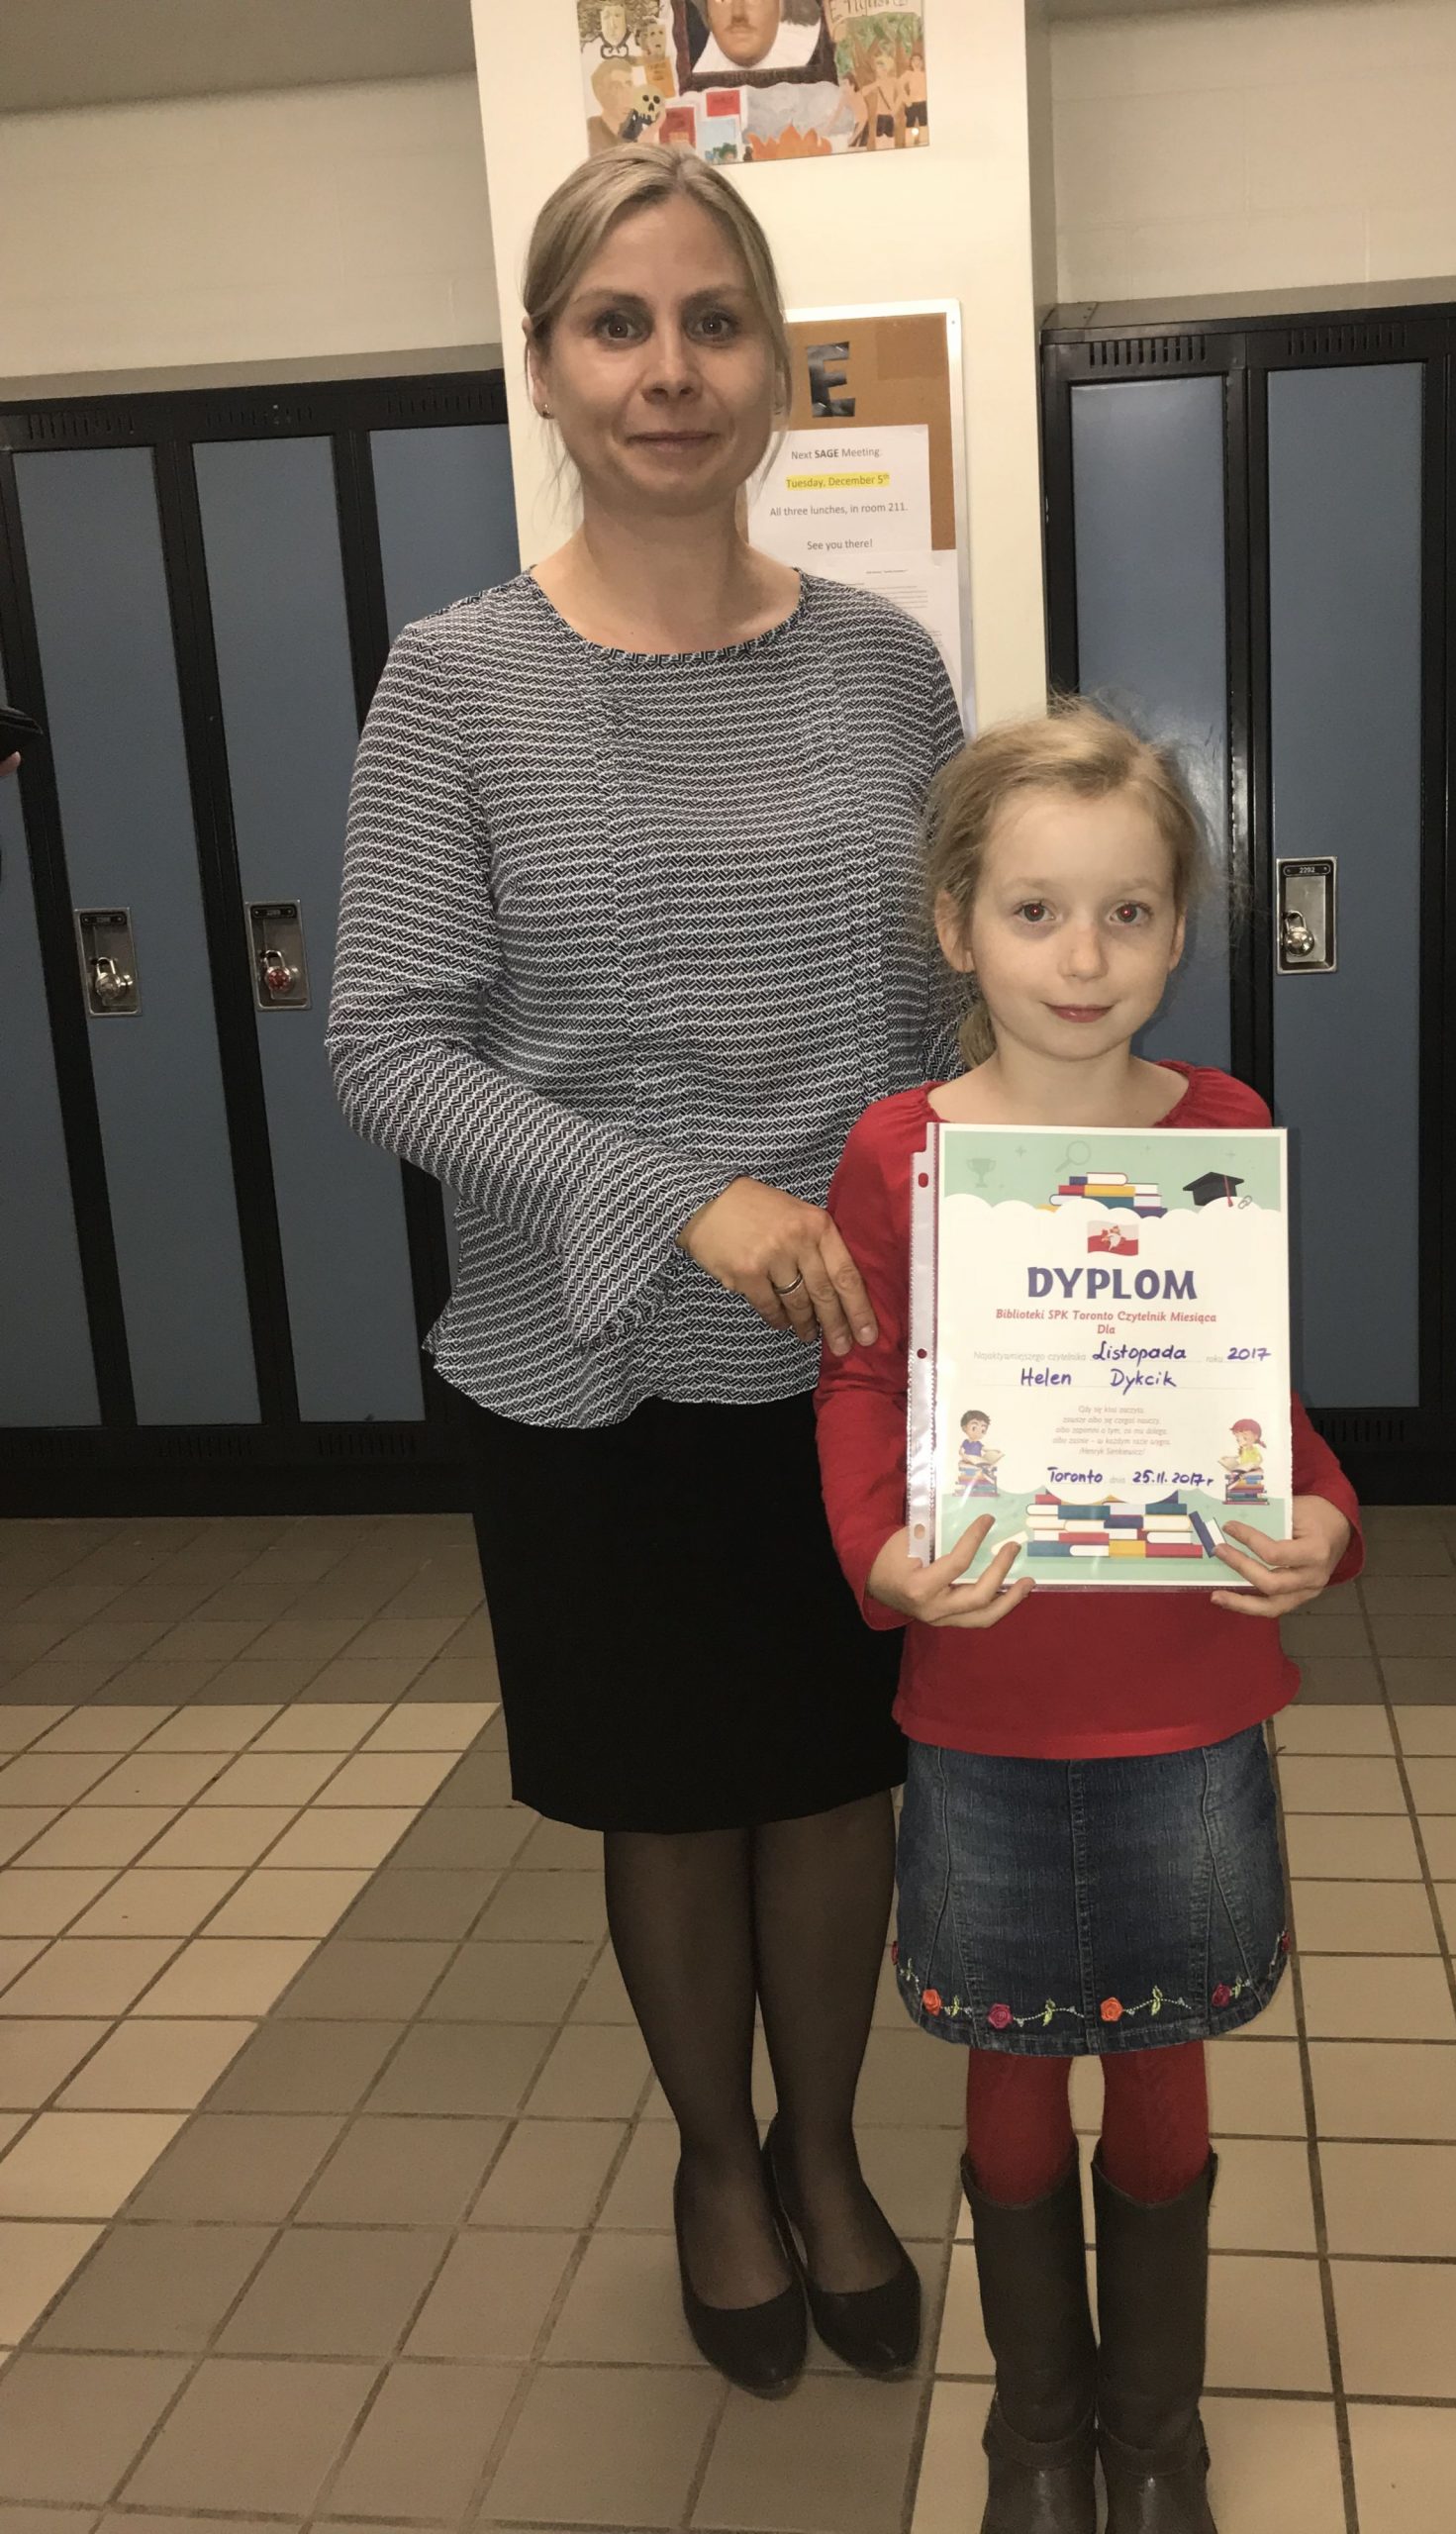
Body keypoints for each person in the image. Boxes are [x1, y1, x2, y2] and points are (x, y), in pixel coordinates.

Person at [328, 143, 966, 2399]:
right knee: (672, 1800)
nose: (669, 370)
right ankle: (718, 2165)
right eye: (619, 324)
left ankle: (830, 2150)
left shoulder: (889, 670)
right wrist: (683, 1198)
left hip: (852, 1361)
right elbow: (386, 1042)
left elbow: (946, 1011)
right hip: (580, 1366)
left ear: (777, 365)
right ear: (547, 368)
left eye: (714, 322)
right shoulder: (455, 684)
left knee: (836, 1782)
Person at [815, 706, 1363, 2534]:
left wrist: (1324, 1516)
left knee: (1161, 2040)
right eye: (1036, 910)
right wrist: (881, 1552)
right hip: (985, 1688)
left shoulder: (1224, 1129)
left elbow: (1250, 1389)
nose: (1083, 957)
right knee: (1008, 2042)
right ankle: (1035, 2435)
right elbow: (860, 1382)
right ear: (955, 923)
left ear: (1179, 928)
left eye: (1128, 913)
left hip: (1187, 1691)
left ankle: (1155, 2437)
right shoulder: (900, 1150)